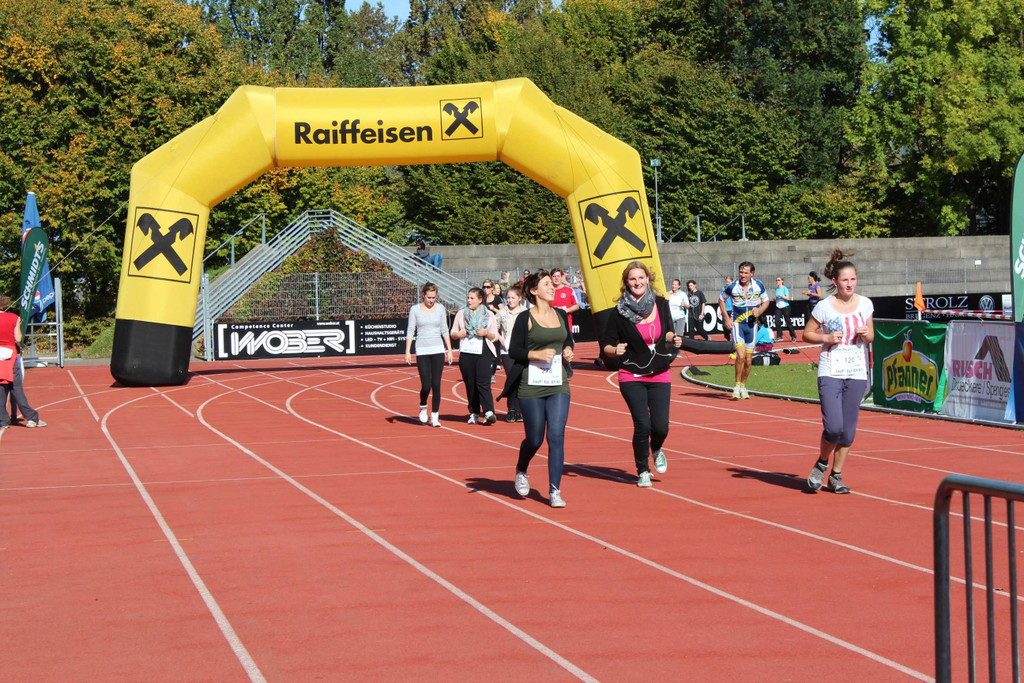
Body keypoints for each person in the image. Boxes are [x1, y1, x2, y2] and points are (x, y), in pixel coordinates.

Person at [601, 262, 683, 488]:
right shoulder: (619, 312)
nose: (637, 282)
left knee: (661, 427)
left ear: (648, 279)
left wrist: (673, 339)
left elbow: (667, 331)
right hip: (631, 374)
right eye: (632, 279)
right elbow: (606, 345)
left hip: (659, 372)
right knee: (642, 425)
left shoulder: (661, 303)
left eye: (640, 278)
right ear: (626, 283)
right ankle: (643, 470)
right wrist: (614, 350)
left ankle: (656, 448)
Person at [499, 270, 574, 507]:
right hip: (531, 384)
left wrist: (568, 350)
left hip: (558, 383)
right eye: (546, 284)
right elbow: (514, 351)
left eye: (552, 283)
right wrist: (536, 354)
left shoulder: (560, 314)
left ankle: (555, 490)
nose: (552, 287)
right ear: (534, 291)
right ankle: (522, 468)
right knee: (534, 439)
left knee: (556, 435)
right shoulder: (525, 318)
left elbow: (567, 340)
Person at [804, 250, 874, 495]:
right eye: (845, 280)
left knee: (848, 431)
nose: (850, 284)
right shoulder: (824, 307)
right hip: (831, 370)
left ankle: (836, 475)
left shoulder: (865, 304)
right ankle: (822, 462)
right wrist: (825, 337)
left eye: (853, 279)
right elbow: (807, 333)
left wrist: (866, 334)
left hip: (856, 371)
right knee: (834, 427)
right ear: (835, 281)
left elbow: (871, 336)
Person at [405, 283, 453, 428]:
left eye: (434, 298)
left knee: (436, 384)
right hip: (422, 350)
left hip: (438, 349)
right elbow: (410, 330)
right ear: (423, 295)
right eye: (429, 297)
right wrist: (408, 351)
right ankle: (423, 405)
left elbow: (444, 329)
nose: (431, 300)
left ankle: (435, 415)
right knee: (426, 386)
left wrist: (449, 350)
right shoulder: (415, 309)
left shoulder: (440, 309)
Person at [720, 262, 770, 400]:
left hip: (752, 326)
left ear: (751, 273)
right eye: (741, 272)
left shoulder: (758, 285)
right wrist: (726, 318)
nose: (743, 275)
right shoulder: (732, 286)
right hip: (738, 324)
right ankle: (736, 385)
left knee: (748, 360)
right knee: (740, 355)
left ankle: (743, 385)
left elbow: (766, 301)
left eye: (746, 273)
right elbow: (721, 300)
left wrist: (760, 310)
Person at [450, 287, 499, 425]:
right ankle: (474, 412)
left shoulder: (489, 315)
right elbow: (453, 333)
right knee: (470, 384)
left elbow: (495, 336)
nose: (469, 300)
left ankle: (489, 411)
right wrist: (459, 334)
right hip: (467, 352)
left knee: (483, 382)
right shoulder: (461, 313)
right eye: (468, 298)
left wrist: (486, 333)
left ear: (480, 300)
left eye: (472, 298)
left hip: (484, 351)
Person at [496, 283, 528, 422]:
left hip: (521, 351)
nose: (510, 300)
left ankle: (519, 410)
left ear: (520, 298)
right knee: (511, 378)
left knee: (521, 379)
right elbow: (494, 328)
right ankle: (511, 409)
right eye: (508, 298)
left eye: (513, 298)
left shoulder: (526, 312)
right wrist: (502, 340)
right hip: (506, 351)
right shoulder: (502, 313)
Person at [0, 296, 22, 431]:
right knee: (15, 386)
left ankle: (3, 420)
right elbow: (18, 338)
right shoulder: (13, 317)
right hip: (10, 355)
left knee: (1, 389)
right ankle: (15, 415)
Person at [773, 276, 798, 342]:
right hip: (778, 307)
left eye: (778, 280)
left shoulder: (784, 288)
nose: (777, 281)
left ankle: (793, 336)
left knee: (788, 321)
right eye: (776, 280)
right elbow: (777, 298)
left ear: (782, 281)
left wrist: (781, 295)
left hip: (785, 307)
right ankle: (779, 336)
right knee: (776, 321)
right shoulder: (776, 289)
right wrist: (775, 299)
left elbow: (787, 298)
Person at [721, 275, 734, 340]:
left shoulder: (734, 288)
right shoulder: (723, 289)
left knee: (732, 325)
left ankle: (733, 338)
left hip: (732, 309)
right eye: (726, 281)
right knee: (724, 326)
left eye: (728, 281)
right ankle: (728, 339)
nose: (727, 283)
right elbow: (722, 299)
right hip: (725, 310)